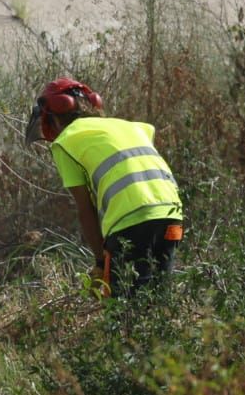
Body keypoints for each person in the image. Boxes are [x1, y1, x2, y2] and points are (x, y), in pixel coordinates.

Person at [25, 77, 184, 298]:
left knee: (123, 311)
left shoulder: (67, 141)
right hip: (172, 216)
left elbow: (85, 209)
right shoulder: (129, 126)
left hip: (129, 221)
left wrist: (101, 260)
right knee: (159, 301)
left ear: (52, 118)